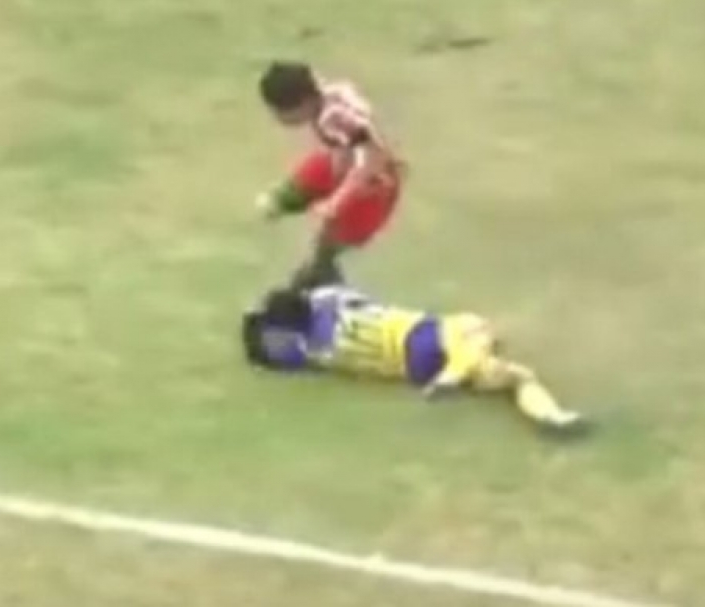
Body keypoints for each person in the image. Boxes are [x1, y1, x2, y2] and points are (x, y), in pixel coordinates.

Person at [241, 285, 589, 436]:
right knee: (477, 327)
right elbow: (357, 296)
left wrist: (252, 328)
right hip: (423, 334)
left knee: (509, 374)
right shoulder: (330, 299)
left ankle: (552, 416)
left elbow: (265, 358)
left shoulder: (315, 352)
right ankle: (455, 373)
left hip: (415, 369)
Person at [255, 61, 404, 290]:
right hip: (349, 160)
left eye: (281, 112)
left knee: (332, 240)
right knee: (317, 172)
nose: (279, 119)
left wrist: (337, 201)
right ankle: (289, 201)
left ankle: (321, 277)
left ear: (303, 104)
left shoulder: (333, 119)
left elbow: (371, 161)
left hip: (374, 183)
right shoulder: (326, 95)